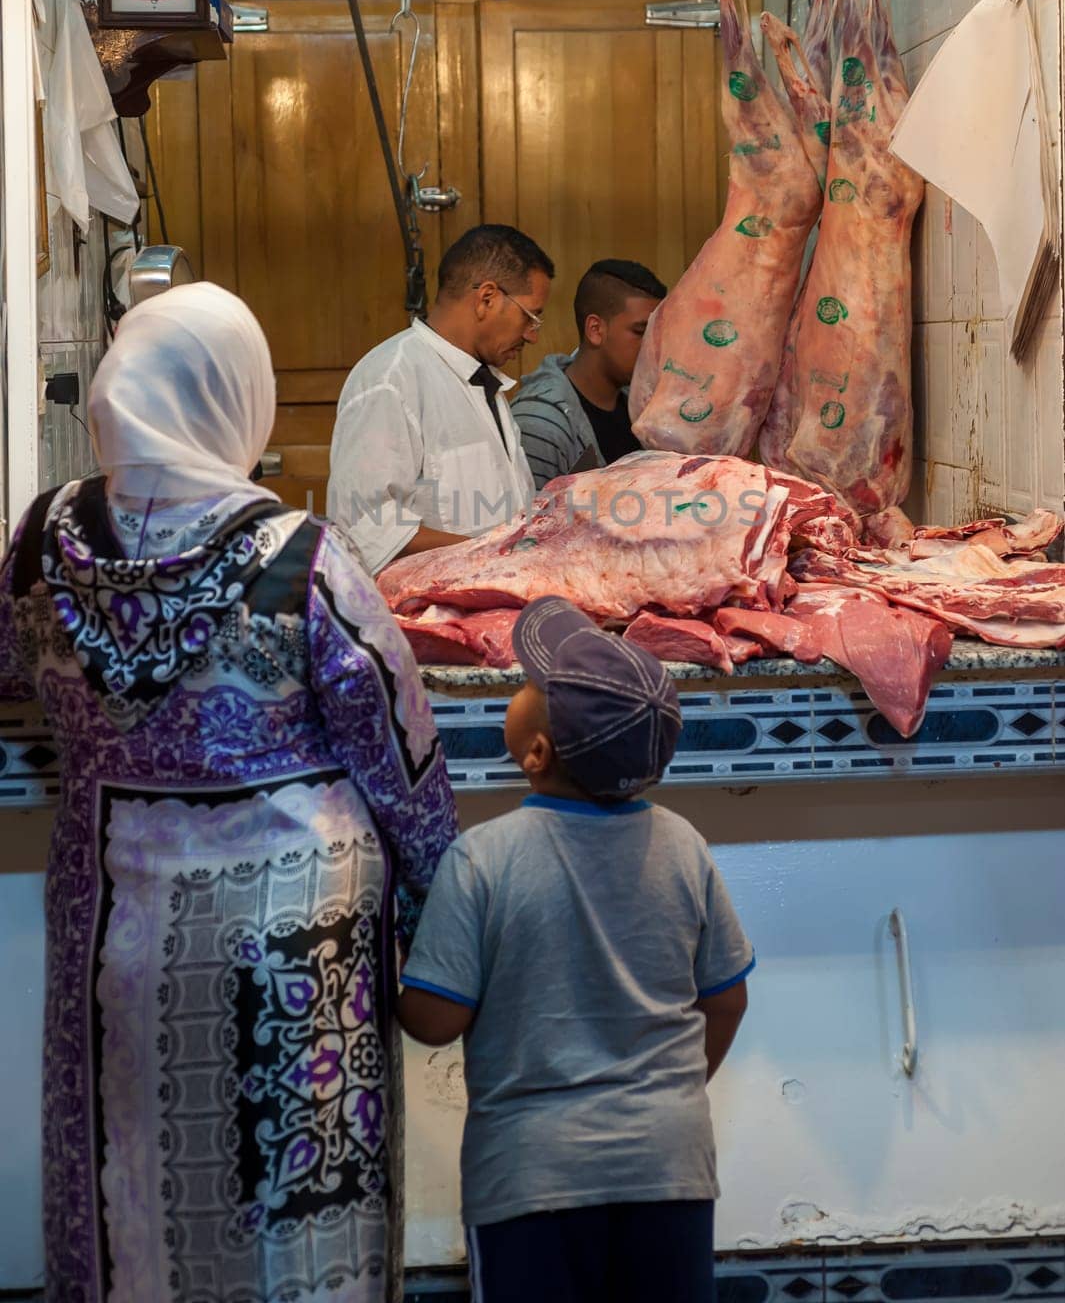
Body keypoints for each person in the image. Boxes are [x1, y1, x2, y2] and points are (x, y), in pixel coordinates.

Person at [0, 283, 459, 1303]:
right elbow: (401, 752)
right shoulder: (299, 556)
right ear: (233, 396)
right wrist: (443, 913)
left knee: (125, 1185)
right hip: (296, 952)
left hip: (113, 935)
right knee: (298, 1223)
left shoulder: (40, 544)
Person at [397, 596, 754, 1303]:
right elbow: (726, 1000)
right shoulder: (682, 847)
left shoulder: (482, 860)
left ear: (535, 752)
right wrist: (668, 1094)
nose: (516, 688)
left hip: (532, 1178)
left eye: (527, 686)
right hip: (668, 1162)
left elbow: (433, 1022)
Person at [328, 224, 555, 574]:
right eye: (530, 317)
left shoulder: (484, 382)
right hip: (419, 617)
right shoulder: (390, 378)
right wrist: (495, 552)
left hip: (489, 604)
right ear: (487, 298)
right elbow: (365, 529)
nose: (532, 335)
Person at [511, 258, 666, 490]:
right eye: (641, 332)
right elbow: (527, 522)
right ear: (595, 330)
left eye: (658, 332)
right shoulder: (540, 422)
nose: (654, 346)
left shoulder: (643, 407)